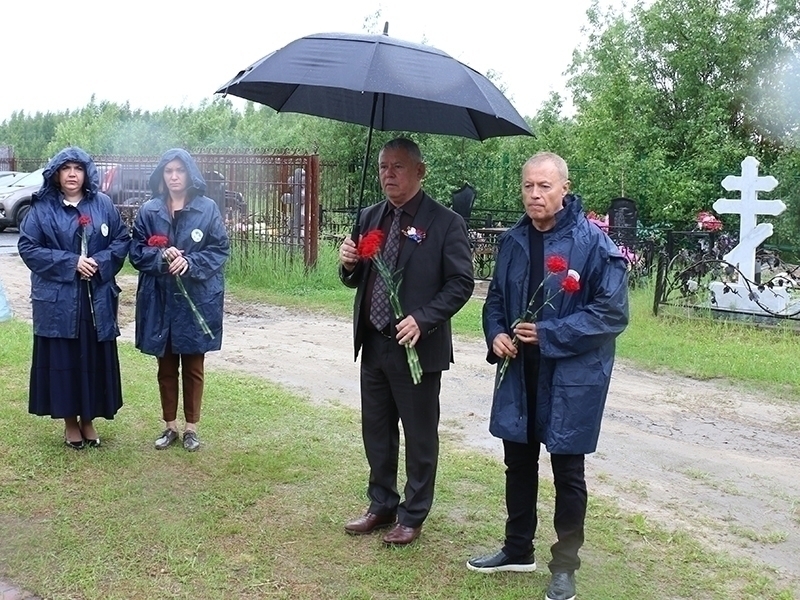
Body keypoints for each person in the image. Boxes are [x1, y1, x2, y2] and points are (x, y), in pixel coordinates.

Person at [466, 152, 629, 600]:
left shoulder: (592, 243)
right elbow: (496, 298)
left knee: (567, 471)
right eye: (528, 187)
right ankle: (518, 548)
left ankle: (565, 566)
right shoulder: (514, 241)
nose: (535, 195)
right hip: (520, 371)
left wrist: (550, 332)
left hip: (572, 375)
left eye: (544, 186)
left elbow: (612, 313)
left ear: (565, 188)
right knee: (517, 462)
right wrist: (496, 333)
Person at [338, 137, 474, 545]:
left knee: (419, 433)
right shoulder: (369, 217)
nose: (388, 174)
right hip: (376, 342)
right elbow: (358, 277)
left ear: (420, 171)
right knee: (376, 429)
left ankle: (412, 514)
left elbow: (461, 283)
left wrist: (424, 318)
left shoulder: (445, 222)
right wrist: (348, 265)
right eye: (383, 167)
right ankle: (381, 504)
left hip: (417, 347)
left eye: (397, 166)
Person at [17, 146, 130, 449]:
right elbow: (29, 248)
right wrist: (71, 263)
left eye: (77, 168)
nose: (71, 174)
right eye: (65, 168)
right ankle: (70, 422)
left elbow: (121, 240)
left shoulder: (103, 204)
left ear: (86, 173)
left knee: (91, 357)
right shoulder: (42, 208)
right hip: (58, 301)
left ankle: (89, 419)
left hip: (96, 298)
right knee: (65, 359)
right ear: (55, 173)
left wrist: (100, 263)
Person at [129, 149, 230, 452]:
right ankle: (169, 425)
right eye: (168, 171)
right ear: (161, 175)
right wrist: (161, 257)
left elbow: (219, 249)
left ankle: (191, 428)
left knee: (194, 366)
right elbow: (135, 251)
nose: (174, 176)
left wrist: (191, 263)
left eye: (179, 171)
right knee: (166, 366)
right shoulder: (149, 211)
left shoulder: (207, 209)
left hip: (196, 299)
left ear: (189, 174)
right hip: (160, 299)